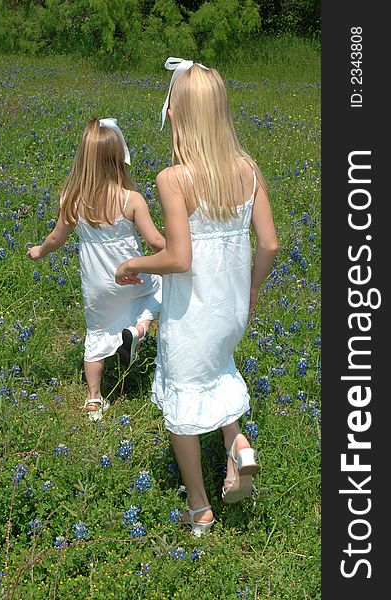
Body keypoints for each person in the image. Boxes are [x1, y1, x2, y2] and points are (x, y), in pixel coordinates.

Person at [115, 58, 278, 535]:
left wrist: (133, 264)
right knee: (220, 371)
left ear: (180, 116)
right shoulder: (247, 170)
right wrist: (251, 288)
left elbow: (180, 259)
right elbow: (268, 243)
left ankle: (199, 505)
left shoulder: (174, 178)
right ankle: (238, 446)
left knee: (184, 407)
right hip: (230, 310)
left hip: (192, 314)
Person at [28, 117, 165, 421]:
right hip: (132, 280)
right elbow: (155, 241)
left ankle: (94, 399)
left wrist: (40, 251)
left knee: (96, 334)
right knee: (161, 288)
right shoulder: (133, 200)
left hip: (97, 288)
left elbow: (56, 238)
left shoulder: (73, 200)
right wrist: (180, 255)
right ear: (118, 158)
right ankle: (139, 329)